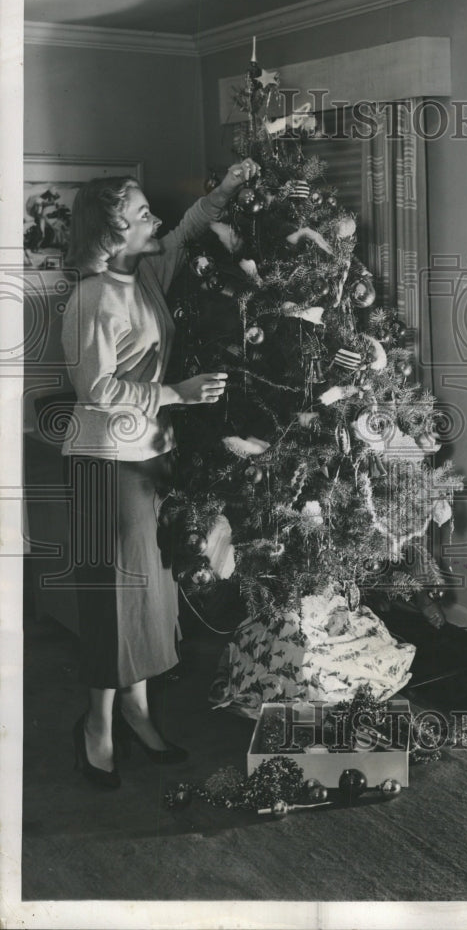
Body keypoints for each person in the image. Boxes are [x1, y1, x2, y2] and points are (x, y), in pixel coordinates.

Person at [60, 158, 260, 787]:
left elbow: (187, 230)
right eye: (143, 212)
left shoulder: (146, 269)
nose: (157, 218)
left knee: (148, 597)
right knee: (112, 602)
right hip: (105, 464)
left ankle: (138, 713)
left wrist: (225, 191)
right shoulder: (95, 296)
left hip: (148, 456)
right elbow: (94, 387)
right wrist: (177, 393)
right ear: (111, 231)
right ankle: (96, 726)